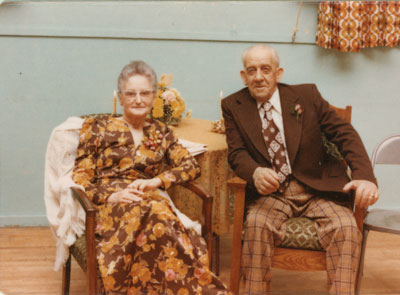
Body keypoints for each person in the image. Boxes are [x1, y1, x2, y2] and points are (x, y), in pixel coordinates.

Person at [221, 44, 379, 295]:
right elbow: (237, 152)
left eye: (265, 69)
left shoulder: (306, 96)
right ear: (244, 76)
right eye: (252, 70)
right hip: (272, 194)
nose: (259, 77)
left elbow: (344, 134)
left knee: (346, 228)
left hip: (316, 188)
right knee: (256, 224)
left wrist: (365, 177)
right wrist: (255, 173)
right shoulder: (233, 105)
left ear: (278, 73)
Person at [73, 60, 231, 295]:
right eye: (131, 93)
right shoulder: (96, 128)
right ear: (121, 96)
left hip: (151, 198)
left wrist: (156, 181)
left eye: (145, 93)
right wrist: (113, 196)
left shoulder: (161, 131)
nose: (138, 99)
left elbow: (190, 166)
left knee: (158, 213)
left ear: (154, 96)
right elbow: (81, 178)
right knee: (159, 217)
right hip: (112, 205)